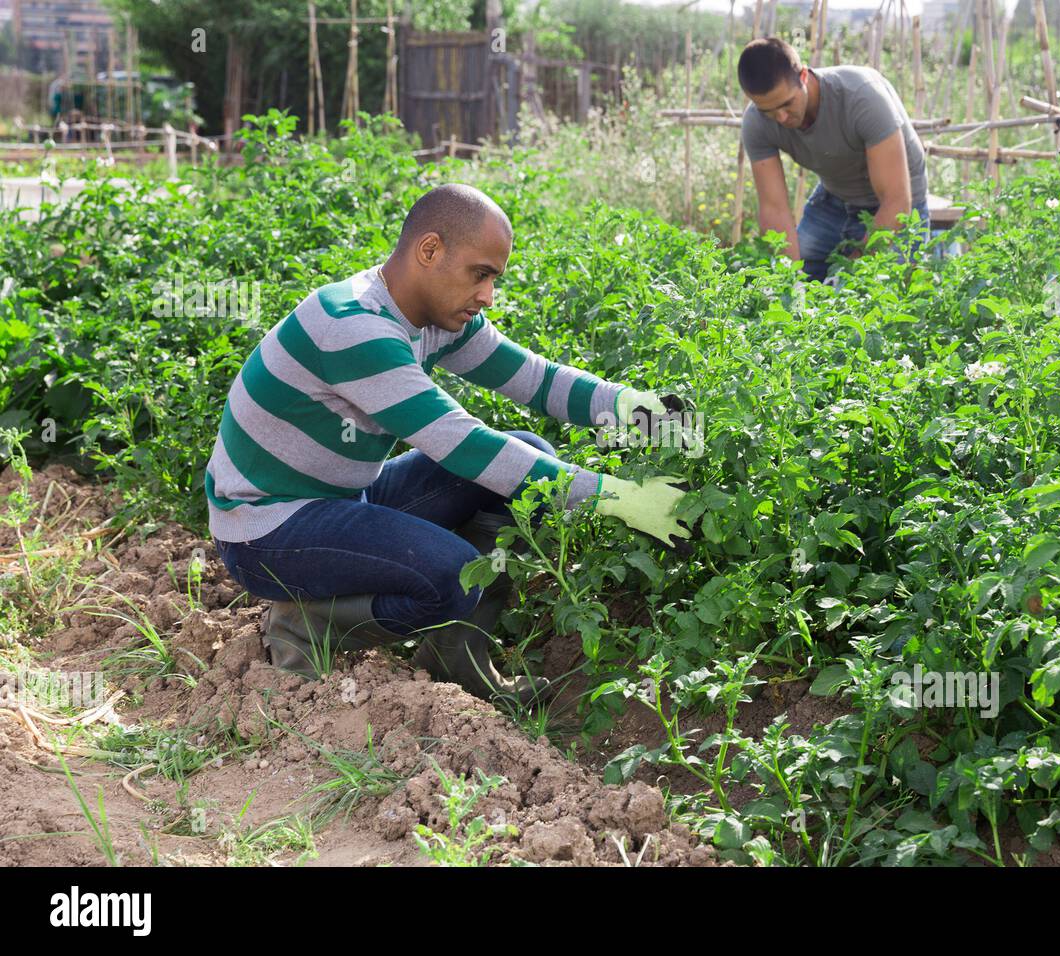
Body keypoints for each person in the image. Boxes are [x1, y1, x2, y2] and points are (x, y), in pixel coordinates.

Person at [207, 184, 692, 705]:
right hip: (266, 528)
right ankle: (307, 624)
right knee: (456, 575)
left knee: (529, 459)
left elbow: (536, 380)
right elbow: (463, 445)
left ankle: (456, 658)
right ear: (430, 251)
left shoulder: (433, 316)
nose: (487, 295)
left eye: (494, 279)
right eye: (480, 274)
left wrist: (639, 412)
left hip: (344, 497)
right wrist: (622, 498)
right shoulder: (353, 327)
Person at [738, 37, 931, 282]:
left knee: (877, 290)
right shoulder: (756, 122)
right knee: (800, 280)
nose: (782, 117)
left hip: (901, 202)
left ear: (804, 76)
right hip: (836, 198)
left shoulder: (862, 97)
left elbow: (896, 200)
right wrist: (788, 281)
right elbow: (773, 209)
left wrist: (852, 273)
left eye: (787, 103)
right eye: (769, 110)